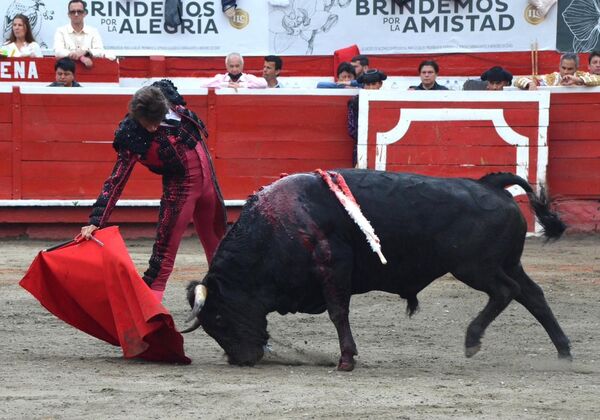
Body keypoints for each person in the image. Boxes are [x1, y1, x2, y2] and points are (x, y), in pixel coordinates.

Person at [80, 81, 227, 302]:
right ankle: (146, 311)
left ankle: (226, 303)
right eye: (147, 124)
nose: (151, 129)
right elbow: (116, 180)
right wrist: (96, 221)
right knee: (163, 257)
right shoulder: (131, 134)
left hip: (210, 185)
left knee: (219, 247)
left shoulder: (169, 98)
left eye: (155, 123)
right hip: (180, 191)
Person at [347, 69, 388, 166]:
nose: (370, 88)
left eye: (373, 84)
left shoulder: (387, 100)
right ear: (363, 85)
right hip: (361, 146)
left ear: (380, 84)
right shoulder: (355, 102)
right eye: (367, 85)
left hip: (384, 146)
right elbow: (352, 129)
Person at [54, 0, 105, 68]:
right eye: (73, 12)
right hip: (67, 71)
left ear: (84, 13)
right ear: (68, 15)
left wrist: (86, 52)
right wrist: (80, 57)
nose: (76, 14)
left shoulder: (93, 31)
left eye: (79, 11)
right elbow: (58, 51)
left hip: (88, 71)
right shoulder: (61, 31)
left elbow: (100, 51)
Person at [514, 52, 583, 90]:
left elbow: (590, 78)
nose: (565, 72)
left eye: (570, 69)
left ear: (576, 68)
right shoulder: (552, 78)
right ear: (559, 66)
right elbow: (517, 81)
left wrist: (578, 80)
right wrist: (530, 83)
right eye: (563, 68)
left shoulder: (581, 76)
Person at [203, 52, 268, 89]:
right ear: (226, 66)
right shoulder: (220, 78)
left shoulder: (248, 78)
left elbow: (264, 84)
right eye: (231, 66)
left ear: (242, 65)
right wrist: (226, 85)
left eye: (237, 66)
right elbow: (204, 85)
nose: (234, 69)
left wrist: (242, 85)